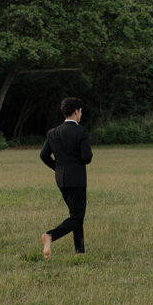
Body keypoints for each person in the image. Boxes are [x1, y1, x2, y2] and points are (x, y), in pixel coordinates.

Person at [39, 97, 93, 259]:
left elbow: (43, 155)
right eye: (81, 111)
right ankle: (50, 236)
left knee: (75, 214)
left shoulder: (53, 132)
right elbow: (87, 158)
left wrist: (58, 167)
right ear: (76, 111)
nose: (81, 114)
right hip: (77, 179)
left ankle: (79, 250)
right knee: (77, 217)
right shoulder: (81, 131)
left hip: (61, 179)